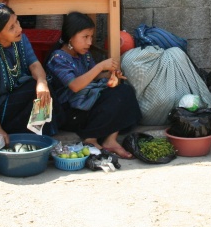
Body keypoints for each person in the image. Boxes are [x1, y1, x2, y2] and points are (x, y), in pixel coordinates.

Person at [46, 12, 141, 158]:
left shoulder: (84, 54)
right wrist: (100, 67)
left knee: (125, 91)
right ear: (71, 36)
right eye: (85, 37)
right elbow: (75, 86)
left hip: (86, 102)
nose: (89, 42)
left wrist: (108, 75)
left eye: (91, 37)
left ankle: (110, 140)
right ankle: (91, 138)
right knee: (113, 99)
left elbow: (92, 77)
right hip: (70, 111)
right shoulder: (58, 58)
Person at [0, 3, 57, 146]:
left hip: (13, 96)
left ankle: (41, 137)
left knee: (44, 87)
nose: (19, 29)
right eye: (11, 27)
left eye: (17, 22)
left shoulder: (20, 40)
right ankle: (35, 138)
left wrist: (42, 83)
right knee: (33, 88)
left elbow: (34, 64)